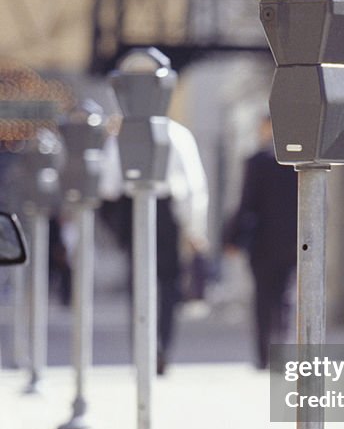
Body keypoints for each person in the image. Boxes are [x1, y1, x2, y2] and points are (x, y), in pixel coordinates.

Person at [100, 118, 209, 375]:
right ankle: (160, 346)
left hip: (137, 207)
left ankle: (143, 349)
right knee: (168, 284)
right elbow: (193, 185)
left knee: (140, 283)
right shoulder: (176, 132)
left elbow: (108, 184)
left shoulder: (126, 133)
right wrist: (194, 228)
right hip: (165, 212)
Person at [223, 117, 297, 370]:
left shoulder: (258, 161)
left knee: (263, 298)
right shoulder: (301, 163)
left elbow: (246, 202)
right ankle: (281, 348)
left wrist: (231, 238)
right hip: (292, 241)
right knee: (285, 297)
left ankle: (264, 353)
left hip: (263, 243)